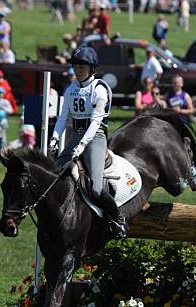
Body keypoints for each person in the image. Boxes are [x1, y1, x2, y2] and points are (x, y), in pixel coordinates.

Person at [50, 46, 127, 239]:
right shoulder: (71, 89)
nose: (77, 70)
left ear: (92, 68)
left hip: (95, 136)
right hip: (76, 132)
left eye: (82, 66)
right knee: (54, 175)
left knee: (95, 187)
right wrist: (55, 138)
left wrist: (82, 145)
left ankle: (118, 218)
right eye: (75, 66)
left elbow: (95, 122)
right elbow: (62, 118)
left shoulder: (100, 89)